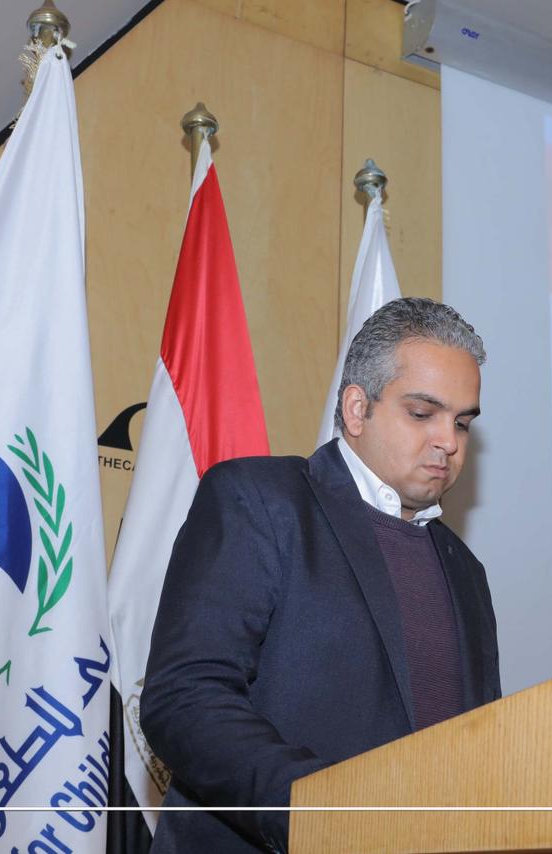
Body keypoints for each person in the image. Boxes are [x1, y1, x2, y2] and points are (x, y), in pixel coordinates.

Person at [141, 297, 501, 853]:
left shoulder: (465, 569)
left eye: (461, 422)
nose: (448, 442)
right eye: (422, 413)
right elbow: (185, 698)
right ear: (357, 409)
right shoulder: (261, 501)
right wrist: (322, 811)